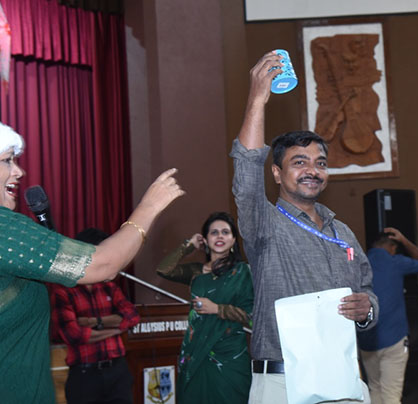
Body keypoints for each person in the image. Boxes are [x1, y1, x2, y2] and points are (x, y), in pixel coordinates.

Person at [231, 51, 379, 404]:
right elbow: (247, 171)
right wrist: (257, 98)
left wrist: (367, 310)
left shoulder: (342, 232)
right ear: (277, 173)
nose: (313, 170)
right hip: (282, 383)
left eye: (321, 163)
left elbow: (367, 292)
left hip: (343, 378)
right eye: (299, 162)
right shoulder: (264, 223)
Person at [0, 122, 183, 404]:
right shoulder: (4, 228)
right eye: (7, 160)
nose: (19, 171)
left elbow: (127, 314)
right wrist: (150, 206)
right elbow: (103, 264)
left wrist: (97, 323)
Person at [156, 211, 253, 404]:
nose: (219, 236)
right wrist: (189, 245)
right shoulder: (196, 272)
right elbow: (163, 269)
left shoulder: (243, 272)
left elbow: (251, 316)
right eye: (214, 232)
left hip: (230, 355)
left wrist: (218, 309)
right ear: (206, 240)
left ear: (234, 240)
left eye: (225, 232)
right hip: (196, 351)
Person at [50, 228, 140, 404]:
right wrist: (116, 328)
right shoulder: (64, 291)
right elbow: (75, 335)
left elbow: (132, 317)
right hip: (85, 374)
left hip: (117, 370)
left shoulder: (109, 286)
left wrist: (94, 322)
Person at [357, 227, 418, 404]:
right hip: (394, 338)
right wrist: (404, 240)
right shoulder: (395, 261)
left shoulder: (360, 263)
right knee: (391, 395)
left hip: (367, 341)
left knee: (374, 389)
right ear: (392, 247)